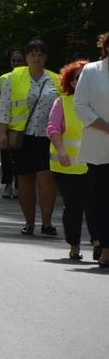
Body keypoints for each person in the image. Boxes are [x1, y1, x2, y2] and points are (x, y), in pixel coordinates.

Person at [0, 39, 60, 237]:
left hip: (47, 137)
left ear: (46, 57)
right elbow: (5, 106)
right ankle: (29, 222)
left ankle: (47, 223)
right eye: (32, 54)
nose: (36, 58)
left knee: (47, 179)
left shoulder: (56, 79)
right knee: (25, 180)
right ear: (26, 57)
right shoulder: (14, 77)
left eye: (40, 54)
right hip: (22, 136)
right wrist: (2, 133)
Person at [48, 60, 92, 261]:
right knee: (74, 205)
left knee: (96, 205)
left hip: (95, 163)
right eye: (79, 77)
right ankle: (74, 245)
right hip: (67, 165)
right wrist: (61, 150)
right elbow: (53, 129)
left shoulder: (101, 103)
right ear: (71, 82)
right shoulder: (62, 103)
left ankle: (99, 243)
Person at [73, 31, 109, 267]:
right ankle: (105, 248)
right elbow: (80, 105)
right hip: (99, 146)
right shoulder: (92, 71)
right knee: (101, 200)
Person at [0, 50, 27, 198]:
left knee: (20, 157)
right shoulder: (4, 78)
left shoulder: (29, 79)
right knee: (5, 157)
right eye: (14, 60)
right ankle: (8, 185)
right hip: (5, 124)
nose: (16, 63)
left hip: (22, 124)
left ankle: (19, 186)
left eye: (19, 60)